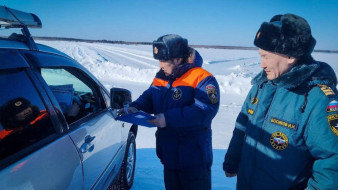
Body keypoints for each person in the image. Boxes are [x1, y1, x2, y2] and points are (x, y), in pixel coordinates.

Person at [223, 13, 338, 189]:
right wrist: (232, 159)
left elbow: (331, 160)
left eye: (266, 56)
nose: (262, 64)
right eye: (260, 56)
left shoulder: (317, 98)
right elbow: (242, 126)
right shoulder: (261, 86)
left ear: (290, 55)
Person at [127, 34, 220, 190]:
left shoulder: (203, 78)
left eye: (163, 60)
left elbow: (204, 110)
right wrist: (136, 106)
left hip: (193, 159)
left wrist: (168, 118)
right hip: (169, 155)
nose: (160, 65)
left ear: (177, 59)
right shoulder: (162, 76)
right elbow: (151, 95)